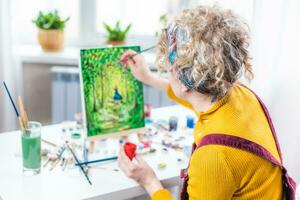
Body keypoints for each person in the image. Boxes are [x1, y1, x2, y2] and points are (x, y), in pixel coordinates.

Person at [118, 5, 295, 200]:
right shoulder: (240, 93)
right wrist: (149, 78)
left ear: (184, 83)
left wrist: (149, 181)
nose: (167, 75)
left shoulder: (213, 158)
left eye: (167, 71)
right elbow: (197, 98)